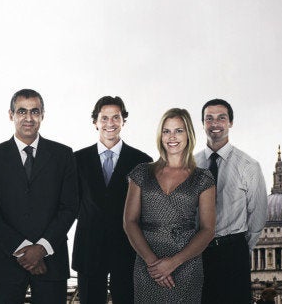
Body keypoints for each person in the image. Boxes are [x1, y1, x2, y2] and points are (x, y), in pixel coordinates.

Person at [0, 89, 78, 304]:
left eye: (35, 111)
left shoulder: (63, 155)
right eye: (22, 111)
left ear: (43, 115)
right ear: (11, 115)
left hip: (51, 261)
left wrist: (41, 248)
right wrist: (25, 251)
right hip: (5, 263)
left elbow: (69, 207)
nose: (29, 118)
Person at [123, 108, 216, 303]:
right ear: (160, 135)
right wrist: (152, 264)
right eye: (166, 131)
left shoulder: (203, 178)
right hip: (147, 265)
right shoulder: (141, 172)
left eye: (178, 131)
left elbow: (208, 230)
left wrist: (174, 263)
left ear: (188, 134)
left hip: (186, 266)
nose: (172, 137)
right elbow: (129, 222)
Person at [72, 96, 152, 304]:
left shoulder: (141, 161)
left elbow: (147, 211)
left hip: (127, 249)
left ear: (123, 121)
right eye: (104, 118)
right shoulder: (76, 160)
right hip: (89, 249)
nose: (110, 123)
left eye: (116, 117)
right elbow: (69, 206)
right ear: (95, 122)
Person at [196, 99, 267, 304]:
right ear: (203, 124)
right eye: (209, 119)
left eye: (221, 118)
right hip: (197, 253)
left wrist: (238, 249)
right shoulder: (190, 165)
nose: (215, 123)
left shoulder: (249, 166)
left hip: (232, 252)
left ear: (231, 123)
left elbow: (258, 217)